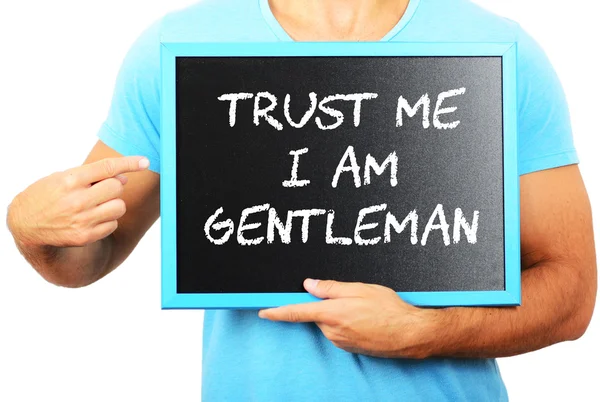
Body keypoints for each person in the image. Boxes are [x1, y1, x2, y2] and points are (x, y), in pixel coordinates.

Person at [6, 0, 597, 400]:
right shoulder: (179, 46)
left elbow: (571, 293)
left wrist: (424, 332)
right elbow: (89, 258)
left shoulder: (495, 48)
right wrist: (31, 228)